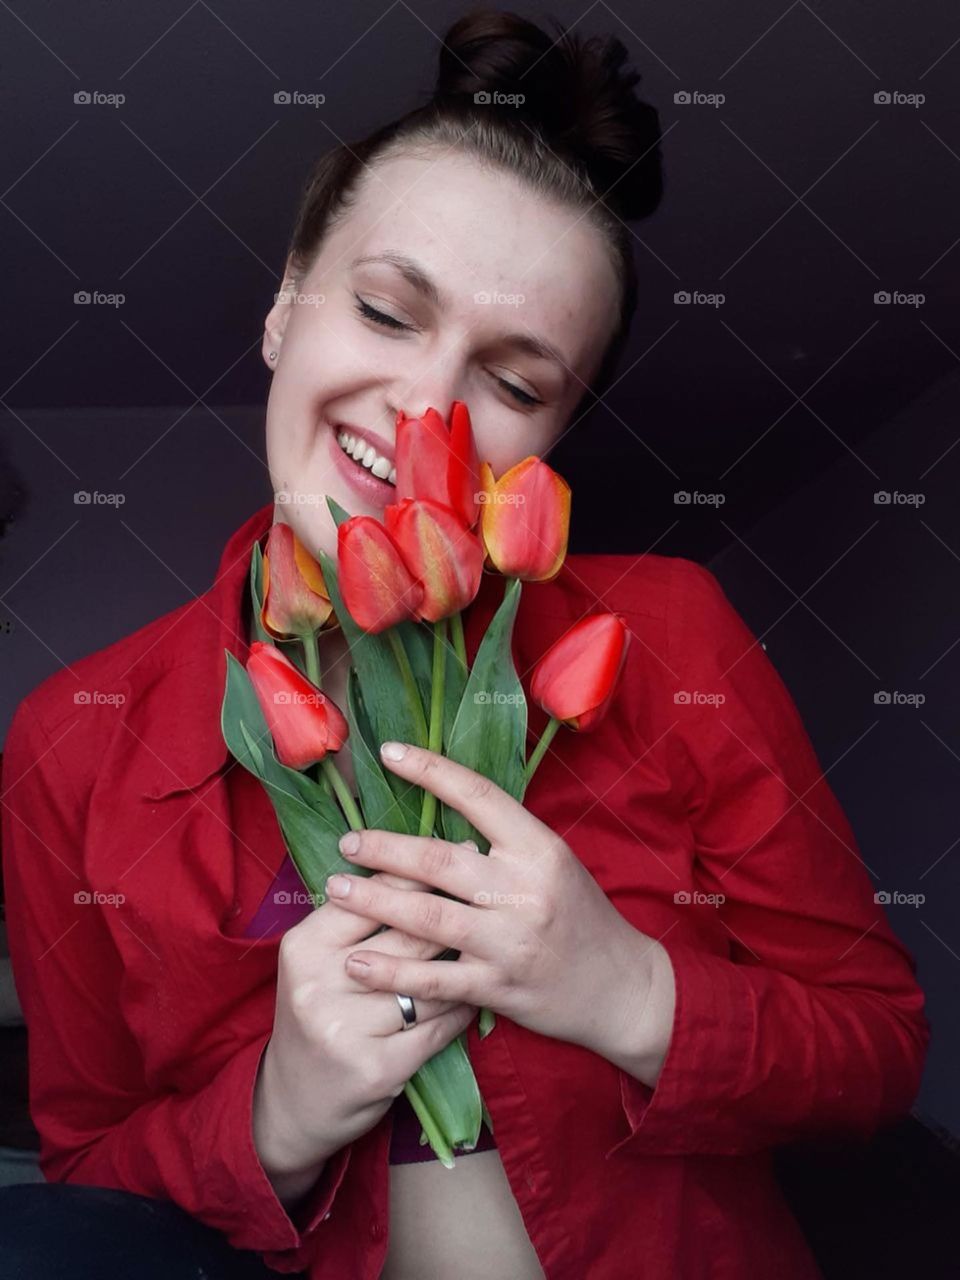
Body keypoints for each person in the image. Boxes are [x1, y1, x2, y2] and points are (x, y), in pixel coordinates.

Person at [0, 9, 929, 1280]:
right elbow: (84, 1187)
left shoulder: (665, 634)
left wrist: (628, 989)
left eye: (515, 382)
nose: (426, 405)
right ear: (284, 308)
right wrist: (271, 1116)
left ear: (552, 438)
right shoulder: (69, 738)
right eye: (386, 311)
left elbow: (875, 1052)